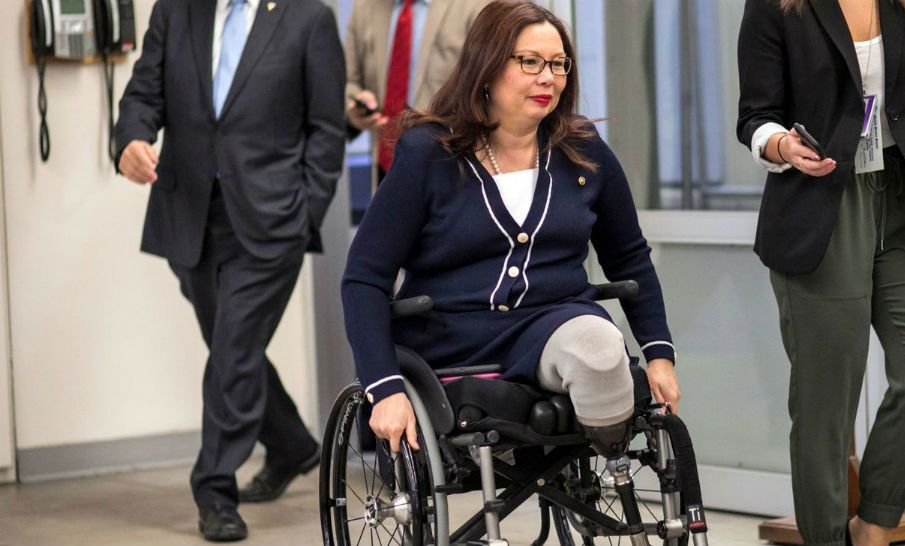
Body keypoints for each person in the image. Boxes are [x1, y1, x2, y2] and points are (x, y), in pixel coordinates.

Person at [342, 0, 682, 461]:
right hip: (453, 339)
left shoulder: (583, 151)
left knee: (601, 350)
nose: (549, 77)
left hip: (552, 323)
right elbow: (364, 278)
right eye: (530, 62)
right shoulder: (428, 154)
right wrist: (383, 388)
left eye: (559, 64)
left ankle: (611, 467)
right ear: (486, 65)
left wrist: (659, 352)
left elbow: (629, 258)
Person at [737, 1, 905, 545]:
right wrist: (781, 145)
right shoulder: (777, 5)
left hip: (902, 201)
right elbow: (755, 114)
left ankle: (875, 520)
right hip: (822, 204)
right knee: (827, 399)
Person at [114, 0, 345, 541]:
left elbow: (326, 128)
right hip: (189, 212)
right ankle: (291, 445)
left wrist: (305, 210)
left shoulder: (308, 17)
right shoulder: (175, 11)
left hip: (272, 218)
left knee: (234, 347)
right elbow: (144, 93)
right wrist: (130, 138)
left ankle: (214, 488)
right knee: (231, 348)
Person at [343, 0, 489, 187]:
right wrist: (356, 108)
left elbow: (490, 91)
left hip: (454, 170)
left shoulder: (477, 6)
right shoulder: (365, 7)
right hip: (385, 170)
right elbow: (347, 83)